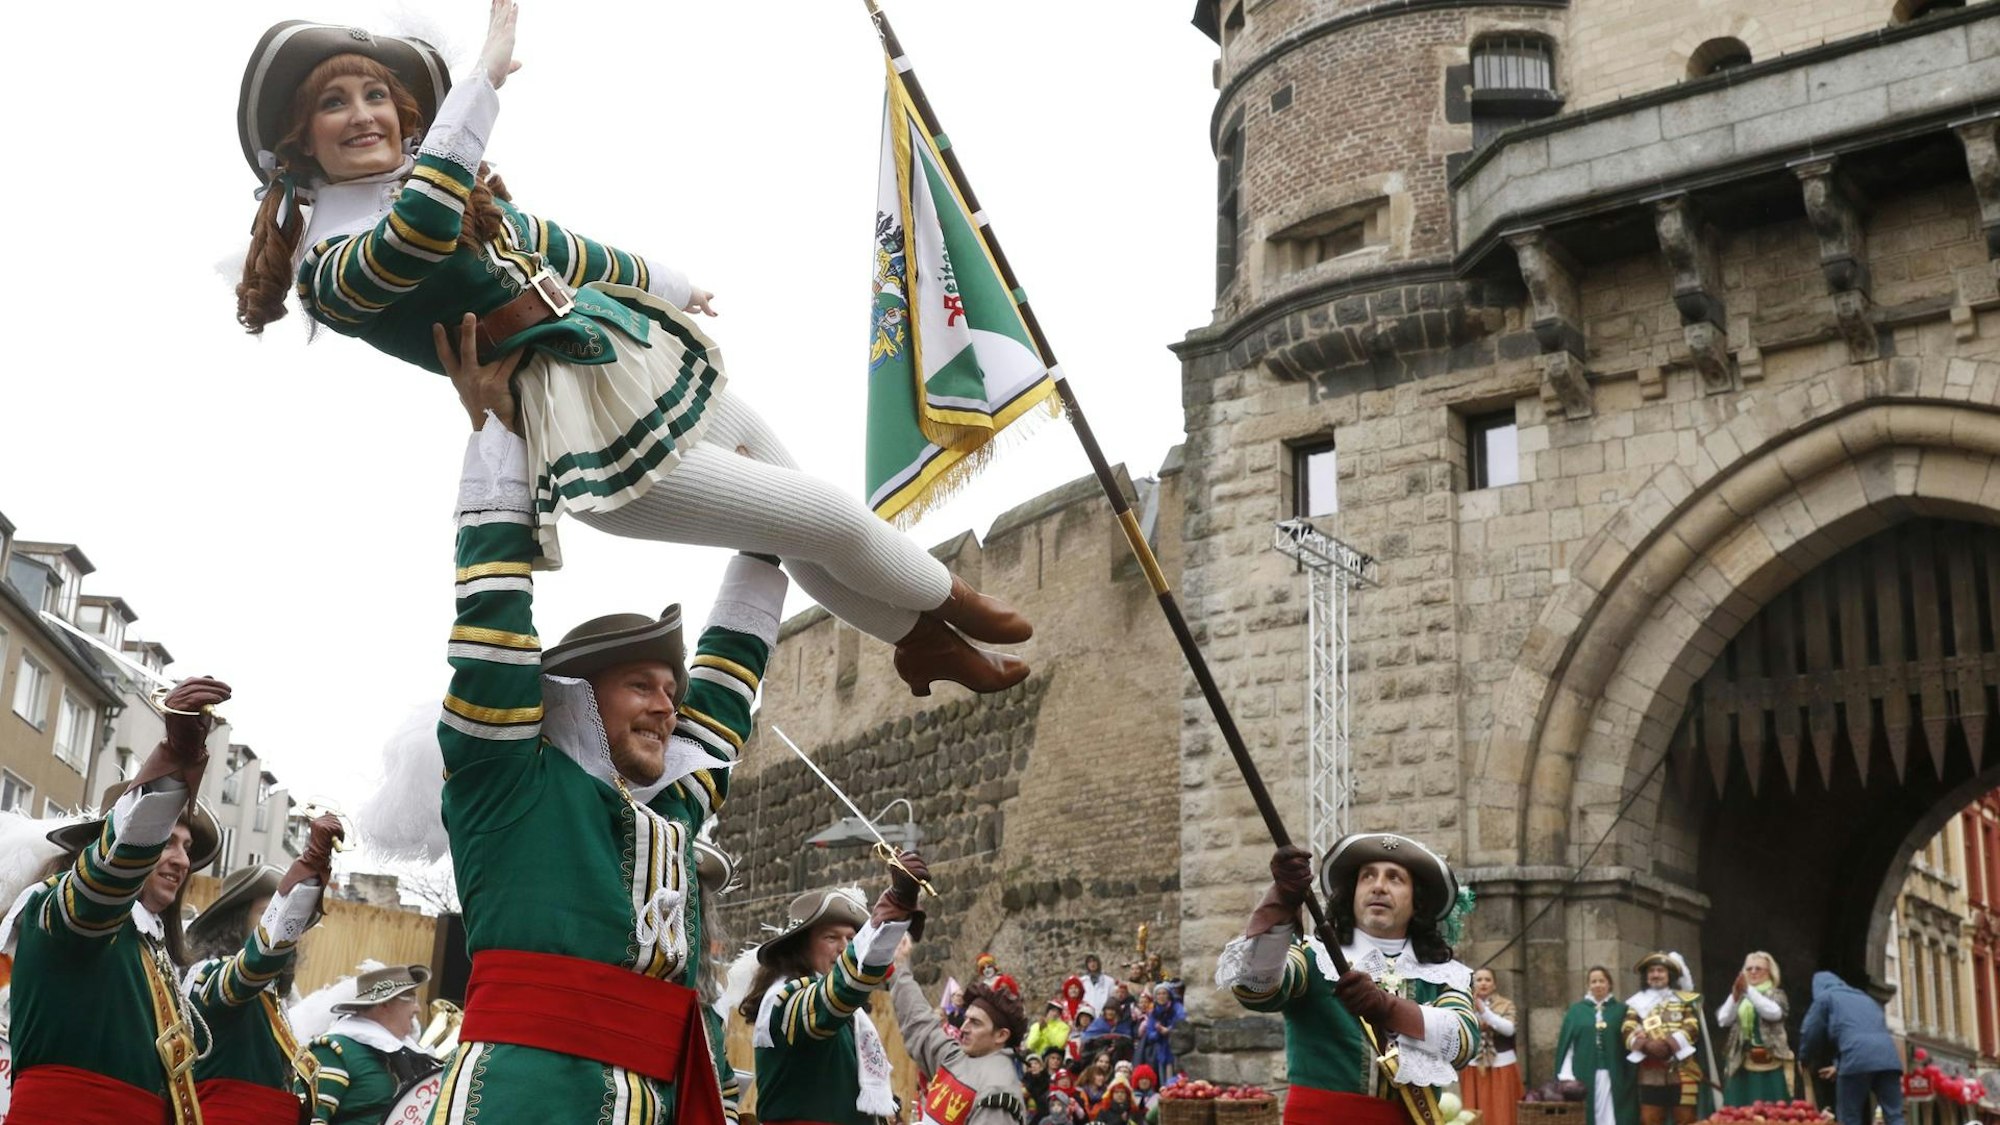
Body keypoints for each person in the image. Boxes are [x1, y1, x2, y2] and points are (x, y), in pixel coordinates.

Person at [234, 4, 1033, 697]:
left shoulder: (456, 188)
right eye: (335, 103)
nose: (364, 113)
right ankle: (950, 600)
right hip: (577, 425)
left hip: (628, 355)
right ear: (299, 143)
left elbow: (564, 250)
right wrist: (480, 81)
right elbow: (418, 231)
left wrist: (672, 282)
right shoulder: (331, 266)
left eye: (377, 93)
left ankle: (921, 638)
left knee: (803, 513)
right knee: (822, 517)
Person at [421, 316, 786, 1123]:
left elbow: (727, 694)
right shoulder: (508, 777)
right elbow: (493, 625)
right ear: (579, 695)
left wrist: (773, 537)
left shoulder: (675, 808)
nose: (668, 705)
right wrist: (498, 433)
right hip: (520, 1103)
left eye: (671, 689)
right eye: (642, 685)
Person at [0, 676, 227, 1124]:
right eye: (167, 841)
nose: (182, 861)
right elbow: (108, 880)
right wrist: (172, 767)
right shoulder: (57, 910)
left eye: (186, 847)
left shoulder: (149, 943)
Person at [1218, 834, 1479, 1125]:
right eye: (1367, 877)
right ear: (1353, 892)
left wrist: (1388, 1008)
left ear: (1417, 901)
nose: (1378, 886)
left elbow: (1464, 1041)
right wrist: (1281, 902)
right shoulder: (1313, 958)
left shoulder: (1444, 975)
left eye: (1395, 879)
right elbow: (1257, 990)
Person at [185, 815, 345, 1125]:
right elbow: (255, 964)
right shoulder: (209, 974)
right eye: (265, 913)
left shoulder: (272, 999)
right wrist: (310, 868)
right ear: (236, 921)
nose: (289, 932)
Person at [745, 861, 924, 1125]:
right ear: (800, 947)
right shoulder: (784, 999)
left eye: (851, 939)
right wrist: (892, 909)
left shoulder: (851, 1018)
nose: (843, 947)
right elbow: (833, 997)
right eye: (831, 937)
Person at [889, 935, 1030, 1125]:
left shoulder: (998, 1092)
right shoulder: (957, 1057)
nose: (964, 1028)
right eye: (966, 1019)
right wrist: (900, 966)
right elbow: (919, 1024)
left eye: (976, 1023)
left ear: (1001, 1035)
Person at [307, 964, 437, 1123]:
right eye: (410, 998)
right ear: (384, 1004)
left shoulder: (408, 1053)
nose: (417, 1008)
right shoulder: (333, 1050)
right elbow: (309, 1119)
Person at [1797, 971, 1905, 1125]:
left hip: (1856, 1060)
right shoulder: (1866, 999)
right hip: (1888, 1060)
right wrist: (1838, 1066)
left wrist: (1804, 1058)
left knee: (1850, 1116)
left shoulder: (1825, 997)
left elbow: (1811, 1030)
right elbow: (1862, 1032)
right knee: (1895, 1115)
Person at [1622, 952, 1706, 1125]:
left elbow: (1692, 1026)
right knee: (1649, 1119)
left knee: (1686, 1119)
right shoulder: (1636, 1003)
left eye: (1660, 970)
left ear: (1670, 975)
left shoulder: (1683, 1001)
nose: (1655, 975)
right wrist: (1646, 1045)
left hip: (1683, 1071)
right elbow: (1627, 1029)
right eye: (1651, 971)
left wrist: (1669, 1044)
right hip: (1650, 1072)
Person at [1715, 951, 1798, 1107]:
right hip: (1741, 1060)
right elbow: (1723, 1020)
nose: (1753, 972)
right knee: (1739, 1107)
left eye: (1758, 969)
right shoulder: (1741, 995)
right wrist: (1735, 996)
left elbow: (1774, 1013)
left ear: (1770, 972)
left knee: (1771, 1107)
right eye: (1749, 969)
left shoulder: (1776, 994)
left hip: (1771, 1059)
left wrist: (1748, 991)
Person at [1555, 966, 1636, 1125]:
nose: (1598, 985)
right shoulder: (1576, 1011)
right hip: (1584, 1071)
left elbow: (1630, 1041)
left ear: (1609, 984)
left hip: (1615, 1072)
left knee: (1612, 1113)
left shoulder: (1622, 1010)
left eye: (1602, 981)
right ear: (1588, 985)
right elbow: (1568, 1046)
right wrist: (1566, 1074)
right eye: (1593, 981)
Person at [1465, 967, 1524, 1125]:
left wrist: (1484, 1011)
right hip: (1473, 1066)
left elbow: (1509, 1029)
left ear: (1494, 984)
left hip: (1502, 1065)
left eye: (1488, 979)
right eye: (1479, 980)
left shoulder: (1506, 1004)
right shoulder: (1464, 1005)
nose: (1483, 983)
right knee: (1473, 1113)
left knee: (1502, 1113)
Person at [1136, 983, 1180, 1080]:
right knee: (1163, 1078)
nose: (1161, 996)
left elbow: (1181, 1023)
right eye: (1159, 994)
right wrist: (1159, 1032)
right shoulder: (1154, 1013)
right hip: (1161, 1051)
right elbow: (1150, 1034)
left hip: (1174, 1048)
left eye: (1164, 993)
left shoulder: (1176, 1008)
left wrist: (1169, 1030)